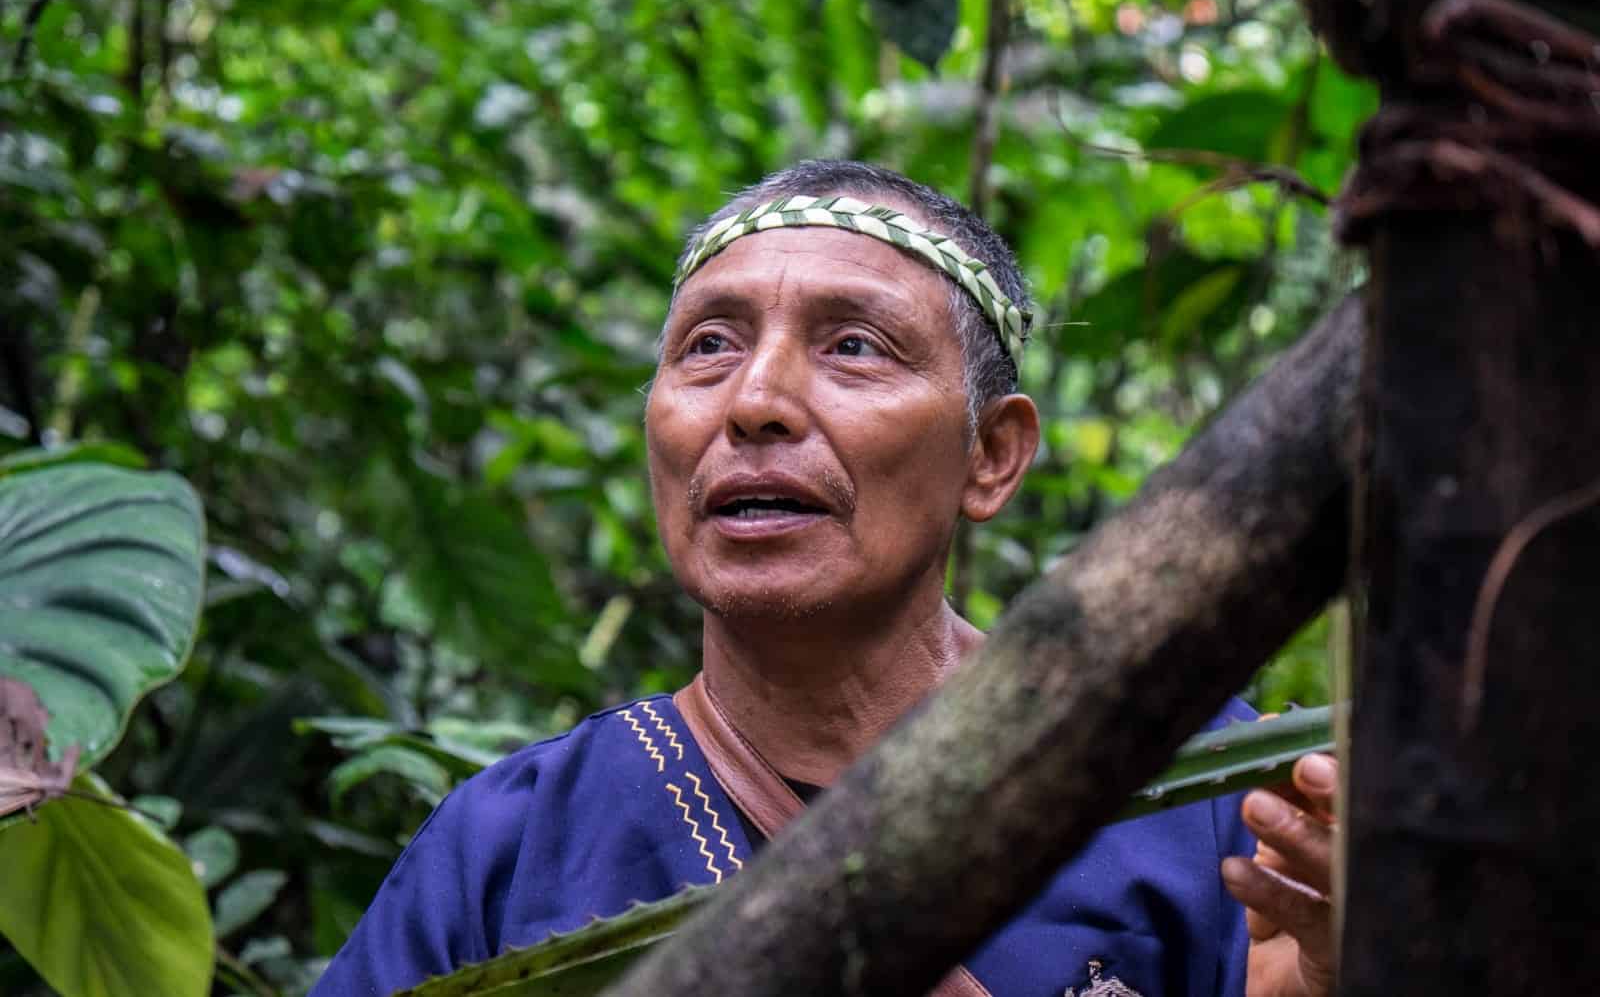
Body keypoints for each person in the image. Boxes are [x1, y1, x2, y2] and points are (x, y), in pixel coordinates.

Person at [311, 161, 1335, 997]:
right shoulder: (510, 845)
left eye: (854, 346)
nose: (754, 399)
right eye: (708, 345)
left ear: (991, 455)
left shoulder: (1200, 794)